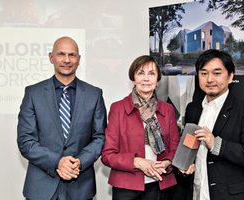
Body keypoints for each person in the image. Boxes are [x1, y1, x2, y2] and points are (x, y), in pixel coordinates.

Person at [17, 36, 107, 200]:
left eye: (72, 55)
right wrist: (58, 162)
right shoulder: (33, 93)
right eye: (61, 54)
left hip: (81, 187)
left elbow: (100, 137)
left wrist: (78, 162)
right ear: (51, 57)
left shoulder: (94, 95)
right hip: (40, 189)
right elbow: (25, 140)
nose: (67, 60)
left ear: (79, 60)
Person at [182, 49, 244, 199]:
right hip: (197, 193)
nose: (209, 79)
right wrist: (185, 164)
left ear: (230, 76)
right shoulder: (192, 108)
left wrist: (216, 144)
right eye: (203, 73)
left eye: (217, 73)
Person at [101, 55, 180, 200]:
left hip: (160, 184)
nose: (146, 78)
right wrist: (137, 162)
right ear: (133, 79)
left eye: (151, 74)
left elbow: (175, 148)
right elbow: (107, 155)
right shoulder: (118, 108)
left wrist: (166, 162)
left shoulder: (167, 109)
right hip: (126, 187)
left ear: (157, 80)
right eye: (140, 73)